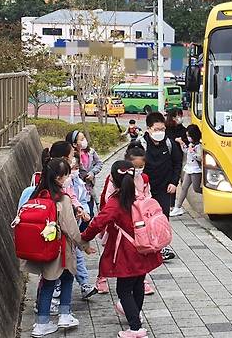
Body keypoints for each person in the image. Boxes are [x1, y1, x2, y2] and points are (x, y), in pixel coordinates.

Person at [81, 161, 163, 338]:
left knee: (124, 290)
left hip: (127, 251)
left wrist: (84, 237)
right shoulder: (139, 196)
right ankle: (136, 316)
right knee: (138, 284)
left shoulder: (116, 201)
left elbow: (98, 222)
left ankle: (135, 329)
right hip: (144, 247)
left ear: (113, 180)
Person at [20, 158, 94, 337]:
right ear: (60, 178)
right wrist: (85, 245)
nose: (69, 177)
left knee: (47, 283)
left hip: (43, 248)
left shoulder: (37, 194)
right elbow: (71, 228)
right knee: (67, 278)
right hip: (61, 250)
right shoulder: (62, 199)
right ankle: (62, 315)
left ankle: (43, 322)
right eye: (67, 174)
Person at [95, 143, 156, 296]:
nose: (138, 170)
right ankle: (102, 277)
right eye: (136, 167)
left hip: (138, 223)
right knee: (110, 250)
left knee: (140, 250)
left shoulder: (144, 179)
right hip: (117, 223)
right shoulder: (116, 178)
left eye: (141, 167)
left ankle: (141, 279)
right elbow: (107, 199)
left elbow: (148, 197)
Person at [139, 112, 181, 262]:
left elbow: (177, 163)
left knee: (162, 218)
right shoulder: (140, 144)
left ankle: (162, 248)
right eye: (156, 129)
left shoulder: (169, 143)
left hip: (164, 188)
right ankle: (146, 247)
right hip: (145, 190)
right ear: (148, 129)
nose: (160, 132)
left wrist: (174, 182)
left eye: (162, 129)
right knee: (145, 219)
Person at [66, 130, 103, 216]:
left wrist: (92, 173)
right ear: (74, 144)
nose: (84, 140)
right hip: (75, 189)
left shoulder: (90, 152)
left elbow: (99, 163)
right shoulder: (71, 157)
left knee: (89, 211)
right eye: (81, 139)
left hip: (89, 187)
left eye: (84, 138)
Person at [171, 124, 203, 217]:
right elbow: (186, 152)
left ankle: (210, 196)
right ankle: (178, 208)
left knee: (196, 189)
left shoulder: (198, 146)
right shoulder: (191, 144)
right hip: (189, 168)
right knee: (184, 187)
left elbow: (200, 158)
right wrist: (182, 144)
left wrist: (192, 151)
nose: (188, 137)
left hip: (196, 170)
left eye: (189, 136)